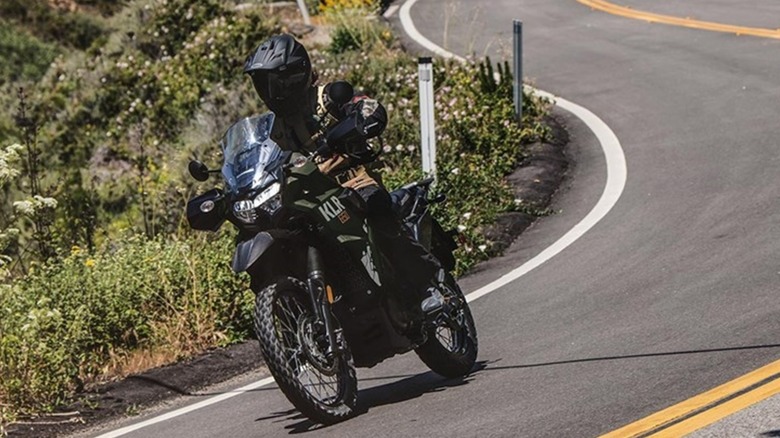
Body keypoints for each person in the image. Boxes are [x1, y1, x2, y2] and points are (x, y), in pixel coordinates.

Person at [243, 34, 444, 315]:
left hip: (353, 182)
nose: (269, 90)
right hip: (309, 198)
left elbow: (367, 106)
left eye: (274, 81)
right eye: (262, 83)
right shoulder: (271, 129)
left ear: (295, 75)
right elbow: (259, 161)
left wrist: (363, 118)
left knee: (378, 213)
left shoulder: (328, 97)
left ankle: (426, 285)